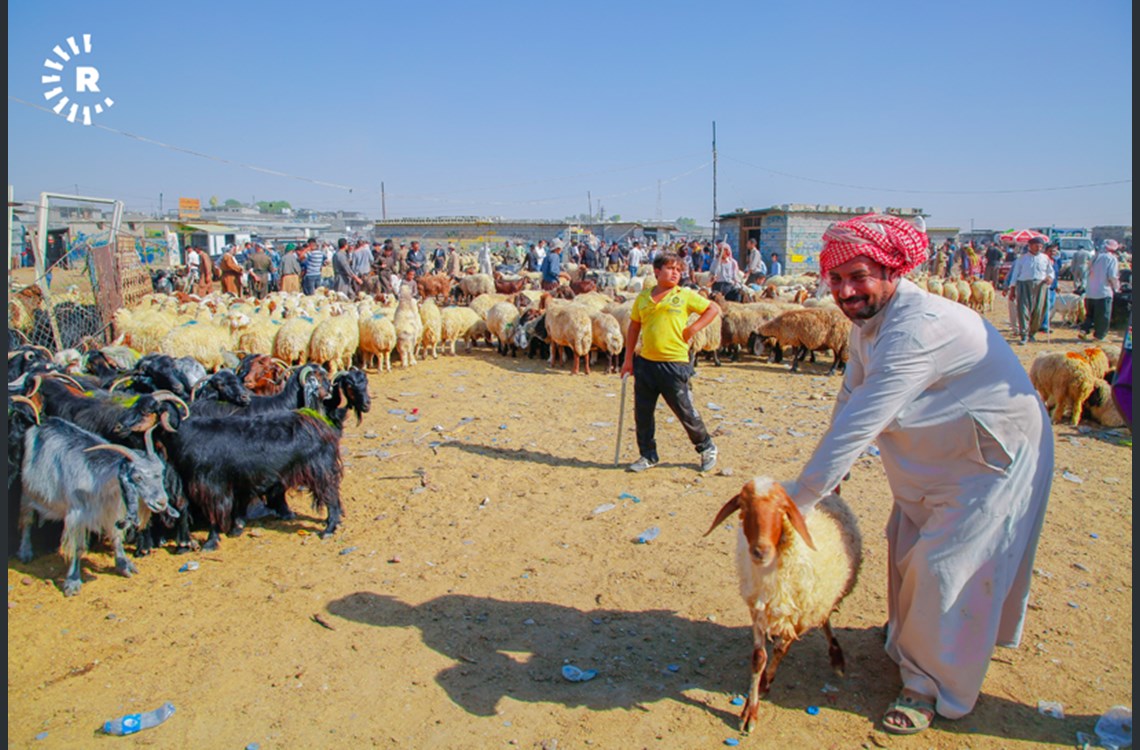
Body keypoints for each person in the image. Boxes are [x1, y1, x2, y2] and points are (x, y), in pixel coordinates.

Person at [783, 213, 1052, 735]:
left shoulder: (918, 328)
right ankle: (912, 641)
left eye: (858, 276)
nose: (845, 291)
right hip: (937, 454)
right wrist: (826, 480)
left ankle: (930, 687)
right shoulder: (871, 326)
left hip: (988, 460)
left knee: (945, 566)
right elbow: (850, 396)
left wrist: (802, 497)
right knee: (905, 544)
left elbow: (868, 415)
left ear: (890, 271)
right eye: (835, 280)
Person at [620, 251, 721, 474]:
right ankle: (648, 455)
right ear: (657, 272)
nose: (675, 273)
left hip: (674, 363)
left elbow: (712, 309)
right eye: (670, 269)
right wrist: (628, 360)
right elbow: (634, 327)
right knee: (643, 413)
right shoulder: (643, 297)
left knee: (684, 410)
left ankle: (706, 446)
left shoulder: (684, 295)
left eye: (678, 270)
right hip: (646, 363)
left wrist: (693, 328)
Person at [1004, 236, 1053, 344]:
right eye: (1036, 246)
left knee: (1039, 310)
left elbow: (1050, 272)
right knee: (1023, 310)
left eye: (1040, 246)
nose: (1038, 248)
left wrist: (1050, 278)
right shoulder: (1022, 259)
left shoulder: (1045, 258)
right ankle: (1024, 335)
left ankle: (1032, 333)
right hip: (1024, 285)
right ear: (1030, 246)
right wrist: (1012, 289)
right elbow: (1015, 275)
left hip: (1040, 285)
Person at [1079, 240, 1121, 341]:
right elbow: (1112, 275)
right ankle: (1099, 336)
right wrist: (1117, 287)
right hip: (1103, 291)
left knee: (1090, 314)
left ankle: (1084, 330)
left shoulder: (1095, 257)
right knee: (1103, 316)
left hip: (1090, 292)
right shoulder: (1111, 258)